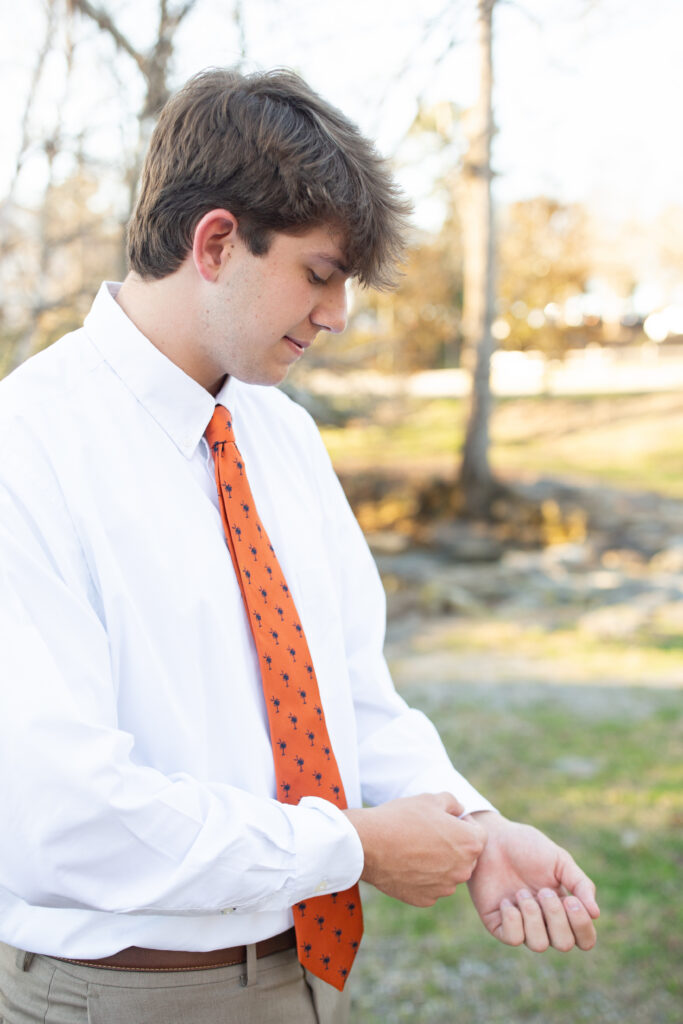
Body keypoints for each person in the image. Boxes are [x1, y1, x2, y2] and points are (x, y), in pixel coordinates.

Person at [0, 68, 599, 1024]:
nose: (339, 315)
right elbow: (57, 820)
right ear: (216, 243)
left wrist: (474, 827)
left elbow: (350, 699)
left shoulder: (281, 435)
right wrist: (348, 848)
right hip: (120, 994)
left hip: (303, 980)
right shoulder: (26, 448)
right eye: (319, 274)